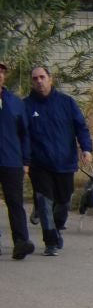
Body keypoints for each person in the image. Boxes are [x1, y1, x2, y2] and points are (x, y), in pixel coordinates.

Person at [23, 65, 93, 255]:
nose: (39, 81)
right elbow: (23, 135)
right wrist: (25, 161)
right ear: (32, 82)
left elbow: (81, 126)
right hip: (39, 164)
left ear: (50, 79)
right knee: (45, 201)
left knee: (64, 200)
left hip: (64, 161)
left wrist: (86, 148)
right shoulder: (27, 106)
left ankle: (57, 226)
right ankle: (50, 241)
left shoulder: (66, 103)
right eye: (35, 78)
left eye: (42, 77)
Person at [0, 60, 32, 260]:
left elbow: (25, 133)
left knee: (15, 202)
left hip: (11, 160)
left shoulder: (15, 102)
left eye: (1, 72)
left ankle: (21, 243)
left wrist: (26, 161)